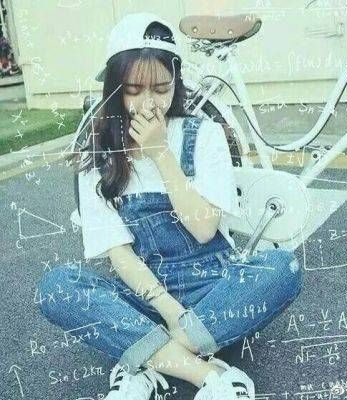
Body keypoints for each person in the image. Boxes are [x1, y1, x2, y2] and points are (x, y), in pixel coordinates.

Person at [38, 12, 303, 400]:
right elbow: (121, 255)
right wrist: (171, 311)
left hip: (214, 288)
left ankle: (146, 356)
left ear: (176, 84)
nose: (150, 104)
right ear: (114, 88)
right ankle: (206, 372)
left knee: (284, 267)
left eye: (162, 88)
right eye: (134, 90)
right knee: (57, 288)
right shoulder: (99, 155)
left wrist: (161, 154)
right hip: (146, 295)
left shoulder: (204, 135)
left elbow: (204, 229)